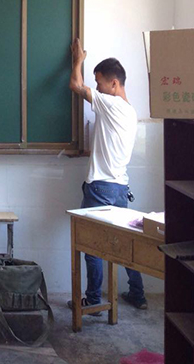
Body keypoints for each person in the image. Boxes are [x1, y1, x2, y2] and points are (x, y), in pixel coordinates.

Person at [68, 38, 146, 312]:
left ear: (114, 84)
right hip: (120, 188)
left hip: (101, 187)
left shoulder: (111, 104)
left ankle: (92, 300)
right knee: (123, 244)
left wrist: (78, 60)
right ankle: (137, 294)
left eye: (99, 82)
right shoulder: (129, 111)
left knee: (91, 245)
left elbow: (75, 85)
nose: (97, 87)